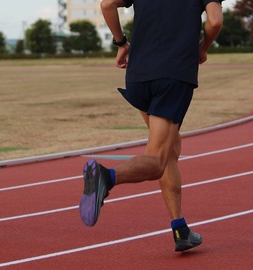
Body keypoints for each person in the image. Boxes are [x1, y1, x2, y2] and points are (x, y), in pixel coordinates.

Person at [79, 0, 223, 252]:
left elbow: (107, 5)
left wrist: (122, 43)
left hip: (139, 74)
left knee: (170, 151)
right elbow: (215, 20)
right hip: (173, 74)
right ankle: (106, 177)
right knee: (157, 161)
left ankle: (180, 229)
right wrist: (203, 48)